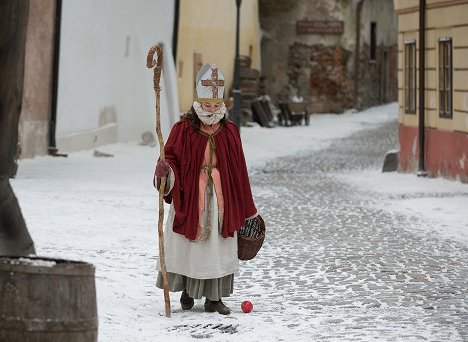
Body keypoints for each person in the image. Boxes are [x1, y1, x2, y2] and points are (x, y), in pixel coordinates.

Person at [153, 63, 258, 315]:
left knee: (216, 249)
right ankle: (188, 292)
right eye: (207, 105)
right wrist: (165, 171)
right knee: (191, 246)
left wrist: (247, 208)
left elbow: (239, 170)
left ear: (221, 104)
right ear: (197, 103)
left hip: (221, 198)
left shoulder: (230, 131)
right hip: (190, 195)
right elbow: (171, 159)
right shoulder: (183, 129)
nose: (211, 110)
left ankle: (214, 298)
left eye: (215, 106)